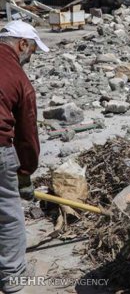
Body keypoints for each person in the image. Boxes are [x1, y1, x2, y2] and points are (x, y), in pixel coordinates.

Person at [0, 21, 49, 293]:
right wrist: (25, 173)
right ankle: (13, 275)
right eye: (31, 51)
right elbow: (27, 135)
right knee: (8, 214)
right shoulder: (19, 79)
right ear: (22, 44)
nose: (30, 58)